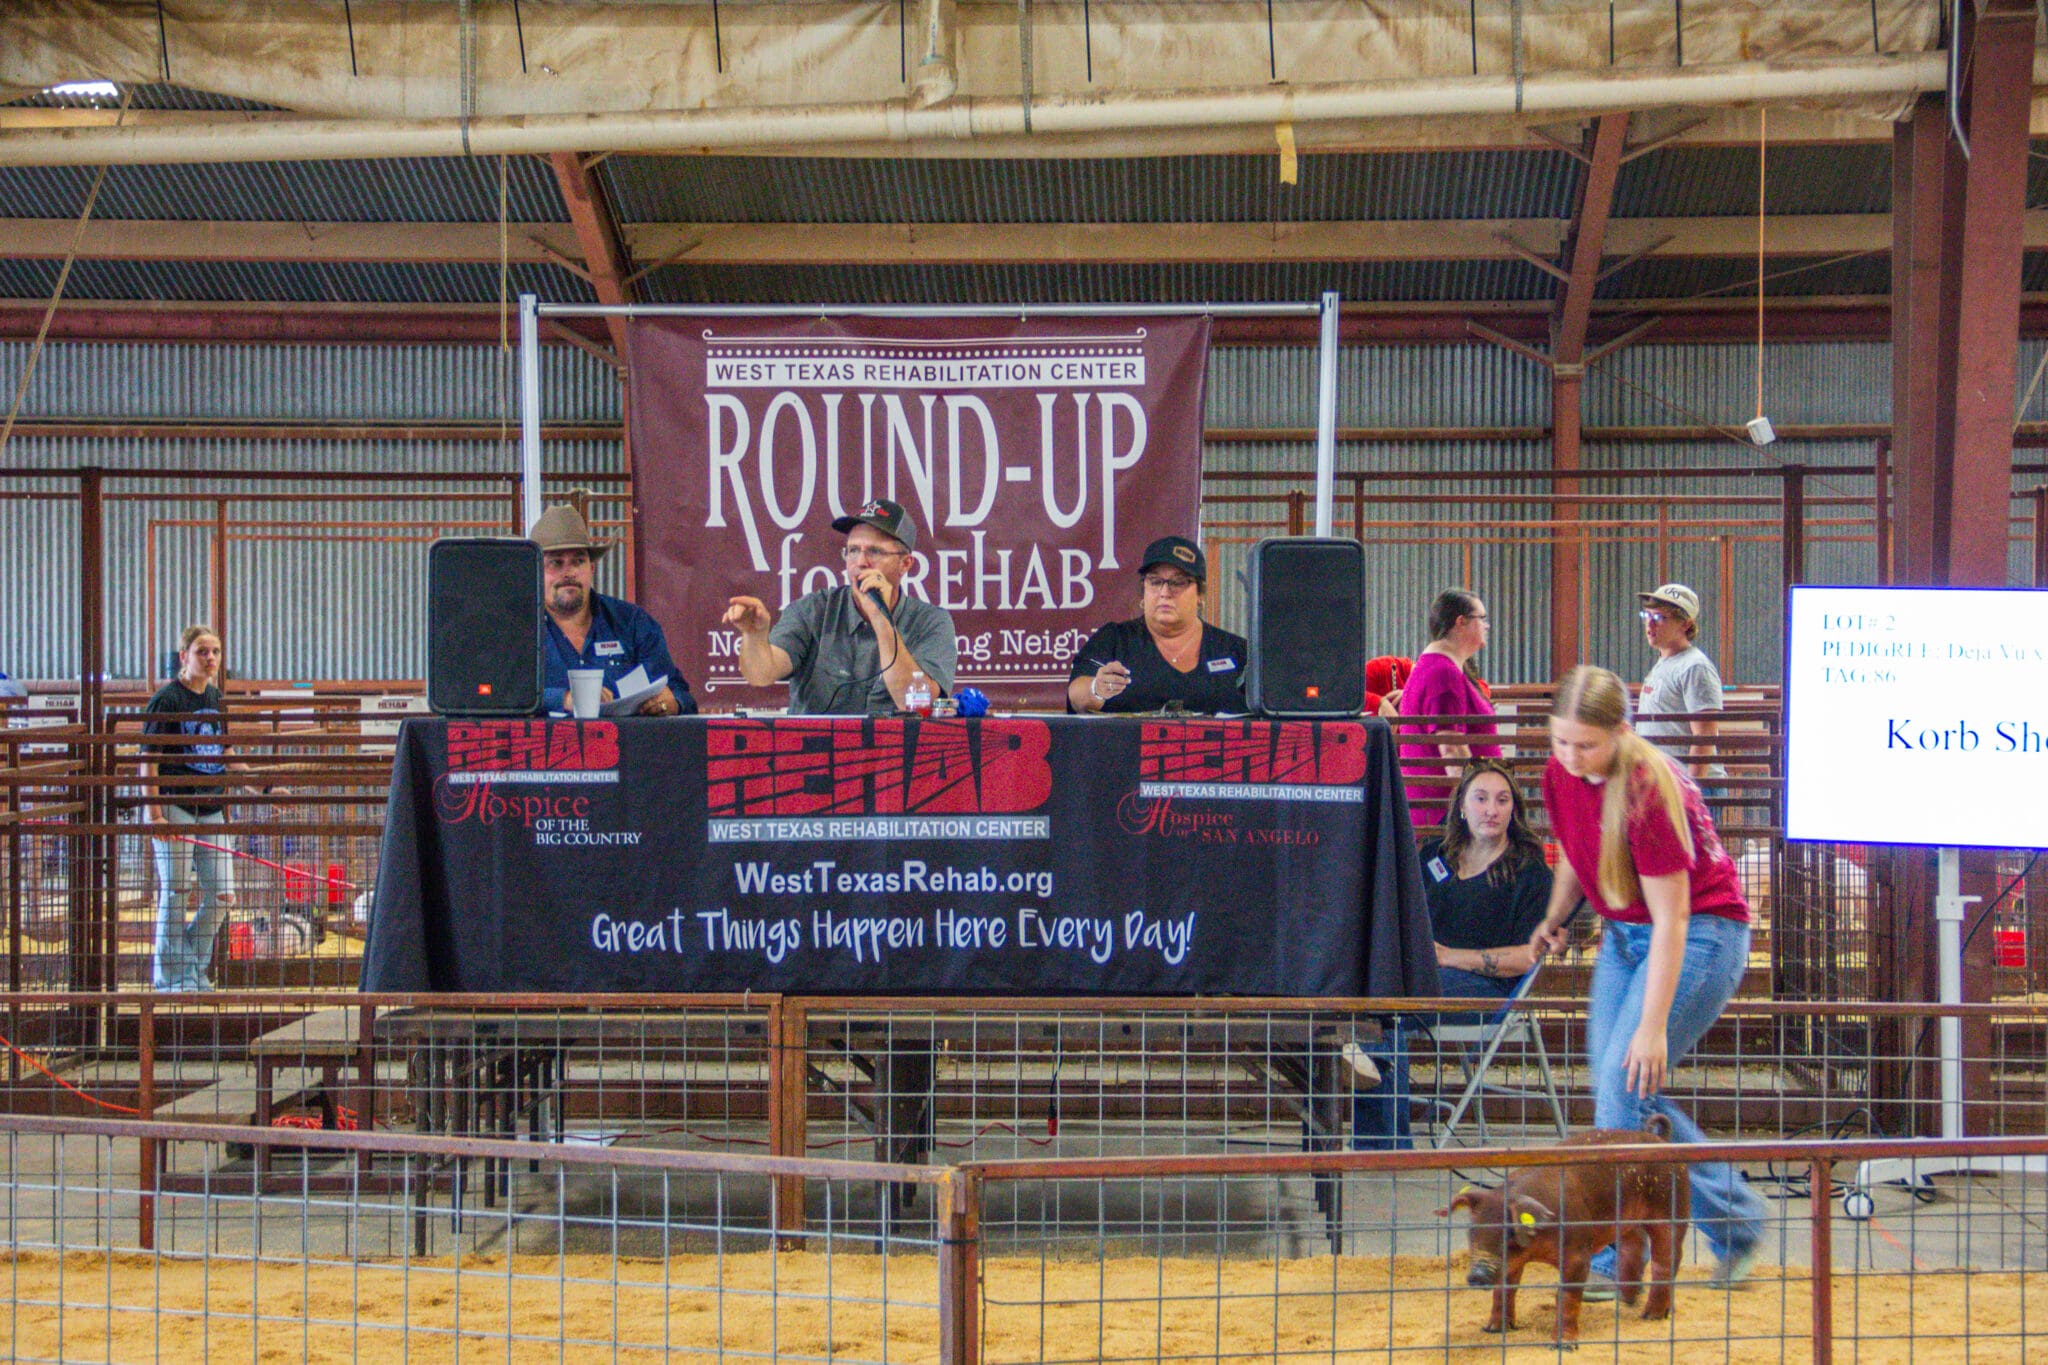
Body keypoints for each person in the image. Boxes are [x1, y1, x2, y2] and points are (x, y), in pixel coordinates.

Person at [1529, 664, 1767, 1293]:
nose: (1571, 756)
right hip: (1624, 934)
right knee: (1626, 1090)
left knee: (1624, 1081)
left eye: (1586, 744)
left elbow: (1674, 918)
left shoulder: (1647, 789)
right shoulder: (1561, 773)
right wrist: (1555, 917)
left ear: (1620, 732)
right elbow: (1578, 854)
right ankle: (1736, 1219)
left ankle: (1611, 1254)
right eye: (1560, 741)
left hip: (1700, 935)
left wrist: (1655, 1026)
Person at [724, 498, 957, 715]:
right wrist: (754, 637)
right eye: (853, 550)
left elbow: (916, 705)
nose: (860, 562)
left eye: (874, 551)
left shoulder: (931, 622)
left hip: (892, 755)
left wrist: (881, 619)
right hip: (815, 753)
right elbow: (762, 674)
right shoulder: (814, 609)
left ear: (905, 563)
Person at [143, 625, 267, 992]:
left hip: (210, 805)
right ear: (184, 656)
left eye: (215, 651)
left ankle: (191, 971)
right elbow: (148, 759)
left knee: (223, 894)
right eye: (202, 651)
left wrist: (260, 784)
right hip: (175, 804)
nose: (210, 658)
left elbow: (224, 753)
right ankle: (173, 979)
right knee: (176, 891)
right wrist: (155, 814)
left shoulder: (215, 698)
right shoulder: (166, 700)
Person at [531, 502, 696, 717]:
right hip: (544, 750)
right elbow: (498, 697)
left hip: (628, 748)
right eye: (556, 563)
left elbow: (681, 694)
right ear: (535, 571)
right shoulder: (518, 630)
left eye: (577, 561)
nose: (568, 572)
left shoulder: (632, 623)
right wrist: (562, 699)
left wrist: (671, 703)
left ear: (591, 568)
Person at [1067, 537, 1247, 715]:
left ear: (1200, 594)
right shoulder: (1114, 640)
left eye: (1178, 582)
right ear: (1143, 590)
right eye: (1155, 581)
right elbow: (1076, 695)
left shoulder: (1235, 651)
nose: (1165, 592)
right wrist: (1096, 688)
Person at [1423, 759, 1553, 1001]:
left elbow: (1529, 956)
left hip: (1490, 988)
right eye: (1481, 799)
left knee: (1399, 1001)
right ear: (1462, 805)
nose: (1491, 811)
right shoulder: (1432, 857)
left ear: (1513, 811)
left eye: (1502, 801)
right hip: (1425, 974)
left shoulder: (1531, 873)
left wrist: (1447, 956)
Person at [1395, 589, 1501, 825]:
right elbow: (1453, 752)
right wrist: (1482, 813)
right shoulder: (1443, 673)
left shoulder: (1435, 667)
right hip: (1446, 818)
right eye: (1481, 618)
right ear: (1460, 622)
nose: (1486, 625)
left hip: (1442, 812)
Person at [1636, 582, 1724, 772]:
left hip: (1689, 785)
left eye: (1659, 617)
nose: (1649, 624)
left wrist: (1692, 789)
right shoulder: (1664, 664)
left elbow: (1704, 735)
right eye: (1647, 616)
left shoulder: (1695, 667)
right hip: (1665, 781)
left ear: (1686, 624)